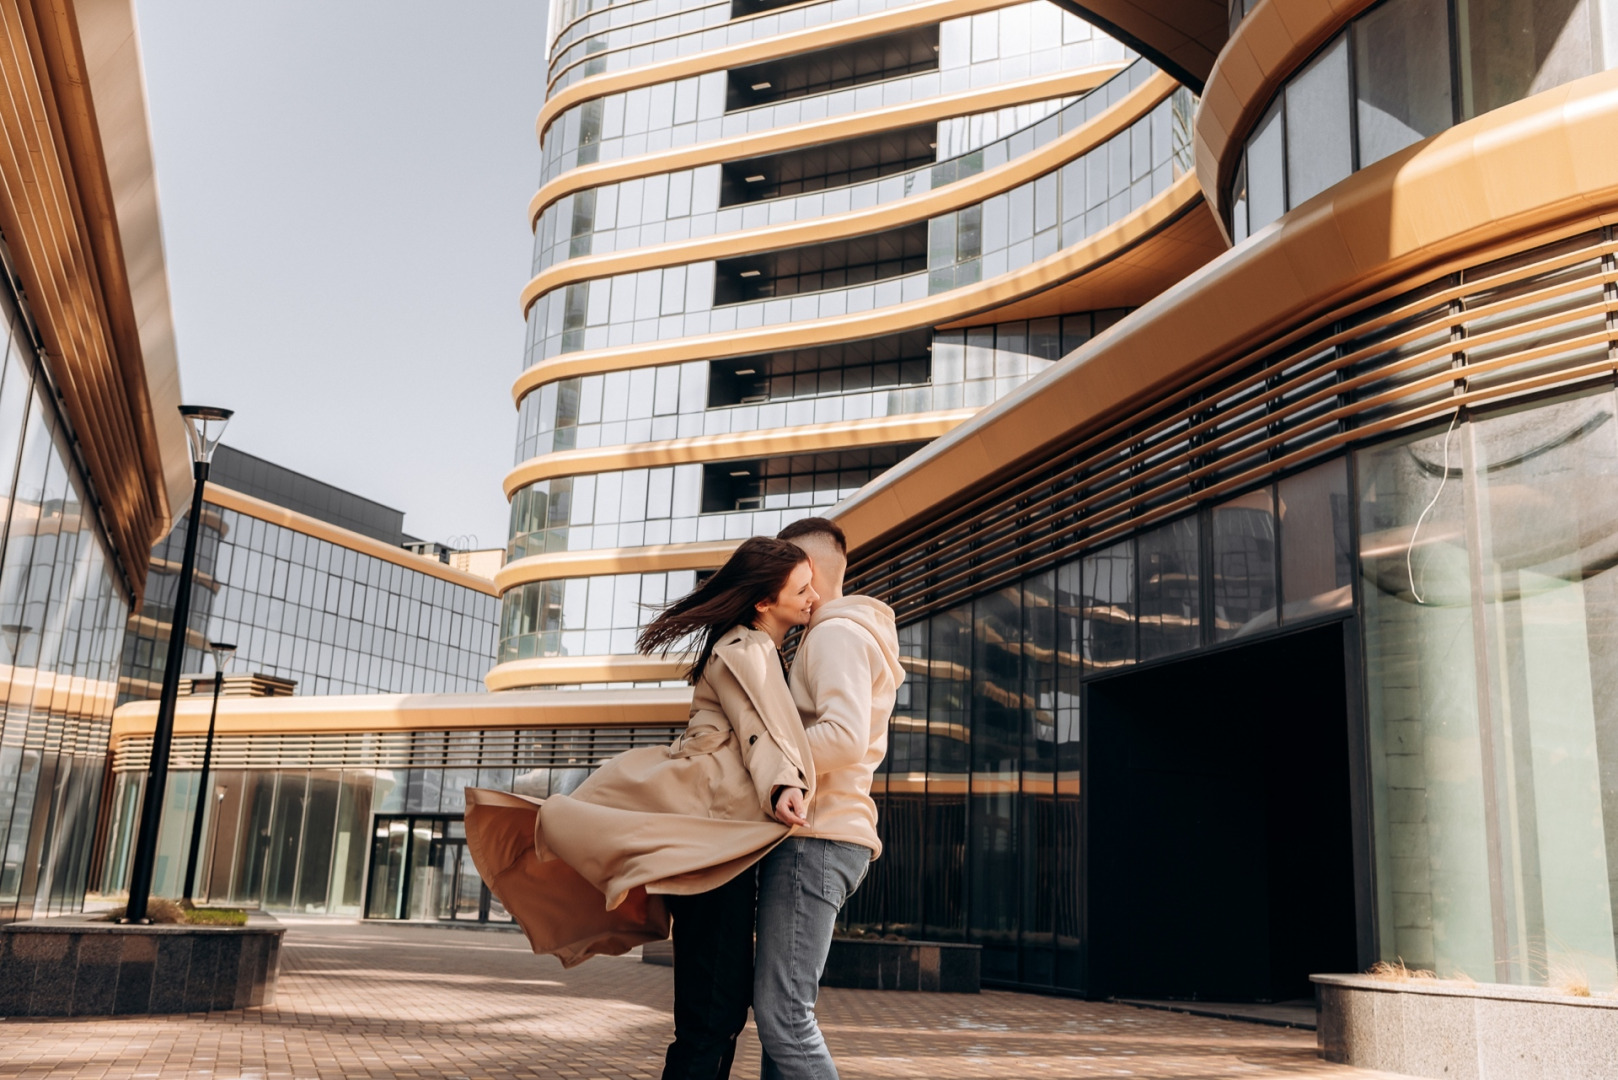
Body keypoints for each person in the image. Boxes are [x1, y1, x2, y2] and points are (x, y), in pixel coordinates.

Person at [462, 537, 821, 1080]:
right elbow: (761, 732)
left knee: (713, 1015)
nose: (815, 596)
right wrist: (782, 788)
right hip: (709, 840)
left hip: (707, 837)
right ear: (764, 602)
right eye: (803, 587)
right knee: (712, 1016)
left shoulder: (750, 647)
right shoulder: (747, 649)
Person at [754, 517, 905, 1080]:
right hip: (820, 836)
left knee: (785, 1019)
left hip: (816, 839)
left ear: (805, 570)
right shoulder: (844, 632)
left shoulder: (836, 634)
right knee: (781, 1029)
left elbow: (842, 735)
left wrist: (767, 758)